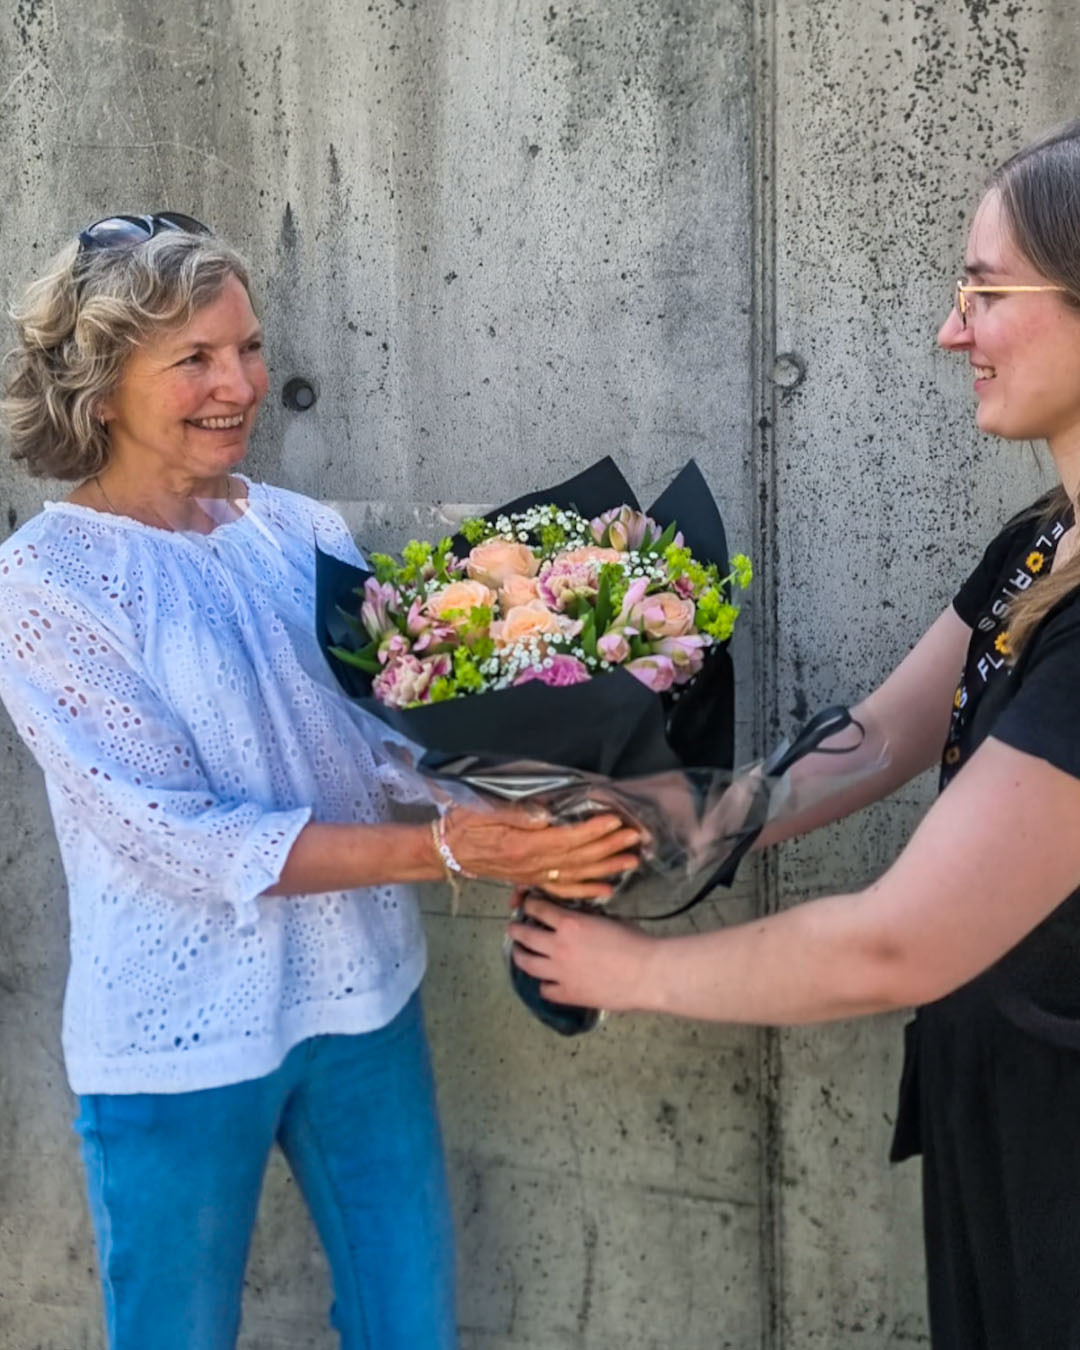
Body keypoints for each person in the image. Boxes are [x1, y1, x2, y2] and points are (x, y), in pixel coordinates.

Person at [0, 214, 640, 1350]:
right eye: (193, 358)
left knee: (412, 1328)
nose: (239, 383)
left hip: (363, 1001)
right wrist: (457, 854)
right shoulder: (48, 584)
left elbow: (378, 753)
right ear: (100, 386)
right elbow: (182, 839)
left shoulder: (299, 532)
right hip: (176, 1041)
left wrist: (525, 810)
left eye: (247, 347)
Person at [509, 120, 1080, 1349]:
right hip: (1002, 1115)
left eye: (985, 291)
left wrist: (633, 974)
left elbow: (894, 947)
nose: (951, 332)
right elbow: (882, 735)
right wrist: (685, 825)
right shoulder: (1043, 541)